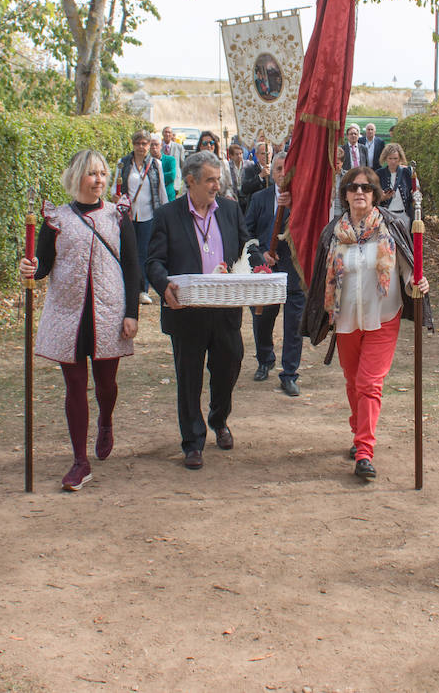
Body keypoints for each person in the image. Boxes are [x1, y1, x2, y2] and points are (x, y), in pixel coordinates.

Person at [302, 165, 431, 481]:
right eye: (353, 187)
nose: (360, 192)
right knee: (352, 380)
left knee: (369, 382)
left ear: (375, 194)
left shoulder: (392, 227)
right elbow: (321, 277)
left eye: (366, 188)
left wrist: (417, 282)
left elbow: (407, 269)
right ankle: (359, 430)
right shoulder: (333, 233)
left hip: (383, 316)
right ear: (345, 195)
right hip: (346, 319)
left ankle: (364, 452)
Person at [20, 150, 139, 490]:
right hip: (67, 315)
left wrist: (131, 313)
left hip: (108, 312)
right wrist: (30, 267)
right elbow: (42, 265)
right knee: (74, 387)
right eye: (92, 174)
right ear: (76, 177)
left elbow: (132, 266)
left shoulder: (118, 216)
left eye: (102, 173)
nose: (99, 180)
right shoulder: (56, 219)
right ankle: (80, 461)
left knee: (106, 385)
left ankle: (105, 420)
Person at [147, 150, 261, 469]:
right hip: (187, 313)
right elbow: (153, 261)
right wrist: (163, 285)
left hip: (225, 311)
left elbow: (246, 249)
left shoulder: (230, 209)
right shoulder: (167, 215)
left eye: (218, 179)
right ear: (190, 181)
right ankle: (193, 442)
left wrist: (262, 268)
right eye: (210, 180)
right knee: (189, 380)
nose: (216, 186)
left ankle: (218, 419)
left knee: (230, 365)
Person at [244, 150, 305, 396]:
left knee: (294, 325)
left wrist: (293, 207)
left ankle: (289, 373)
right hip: (265, 272)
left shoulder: (303, 200)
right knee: (262, 320)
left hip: (293, 271)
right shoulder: (259, 198)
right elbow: (246, 233)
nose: (282, 174)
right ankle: (265, 359)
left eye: (287, 169)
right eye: (278, 169)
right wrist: (261, 255)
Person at [115, 130, 168, 306]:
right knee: (128, 252)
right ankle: (128, 288)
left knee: (144, 253)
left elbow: (161, 190)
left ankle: (143, 289)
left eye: (144, 143)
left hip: (148, 215)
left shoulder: (155, 164)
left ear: (149, 145)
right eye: (138, 143)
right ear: (133, 145)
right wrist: (118, 199)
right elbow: (115, 187)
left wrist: (165, 212)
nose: (141, 147)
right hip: (128, 216)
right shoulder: (123, 163)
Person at [376, 142, 415, 228]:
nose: (393, 161)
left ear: (400, 158)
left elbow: (414, 191)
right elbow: (374, 198)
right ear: (386, 158)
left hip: (404, 215)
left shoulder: (407, 172)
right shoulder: (379, 174)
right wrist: (382, 197)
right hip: (386, 216)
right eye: (390, 158)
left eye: (395, 158)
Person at [151, 133, 178, 201]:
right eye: (151, 145)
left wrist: (153, 177)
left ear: (161, 146)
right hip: (152, 198)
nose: (154, 147)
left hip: (168, 197)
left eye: (156, 144)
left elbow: (172, 176)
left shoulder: (170, 160)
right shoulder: (146, 162)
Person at [224, 142, 250, 211]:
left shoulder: (249, 164)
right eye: (237, 154)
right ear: (231, 156)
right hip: (234, 196)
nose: (239, 156)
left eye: (241, 154)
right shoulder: (227, 166)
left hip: (246, 196)